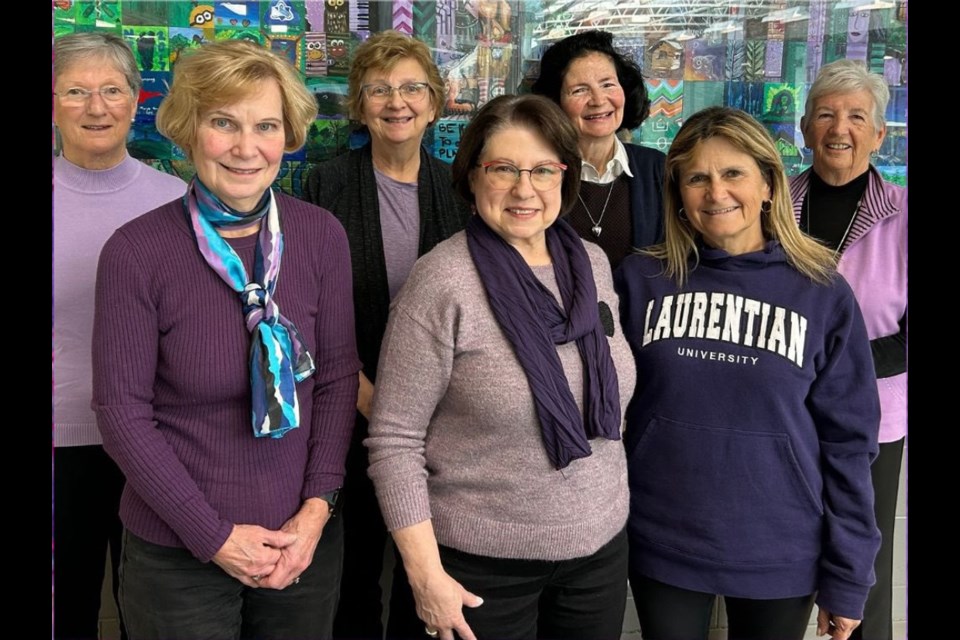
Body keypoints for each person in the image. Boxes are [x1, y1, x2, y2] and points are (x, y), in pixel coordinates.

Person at [91, 40, 360, 640]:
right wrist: (214, 537)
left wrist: (318, 509)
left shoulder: (320, 236)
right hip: (178, 555)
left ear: (288, 136)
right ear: (188, 132)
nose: (246, 147)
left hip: (301, 542)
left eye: (266, 125)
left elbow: (339, 379)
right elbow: (121, 413)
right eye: (223, 123)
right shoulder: (136, 251)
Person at [365, 94, 636, 640]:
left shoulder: (594, 265)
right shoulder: (442, 282)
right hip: (478, 568)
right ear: (471, 177)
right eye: (503, 169)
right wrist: (424, 576)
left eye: (542, 169)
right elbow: (394, 439)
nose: (524, 188)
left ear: (565, 174)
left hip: (598, 555)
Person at [614, 106, 881, 640]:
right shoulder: (641, 279)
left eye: (733, 173)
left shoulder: (820, 291)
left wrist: (849, 575)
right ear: (679, 195)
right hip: (663, 537)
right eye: (697, 178)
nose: (716, 193)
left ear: (767, 183)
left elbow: (849, 443)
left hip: (781, 545)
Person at [303, 30, 471, 640]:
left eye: (410, 88)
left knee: (425, 566)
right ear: (359, 103)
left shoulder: (462, 189)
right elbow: (310, 313)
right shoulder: (326, 185)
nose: (395, 102)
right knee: (353, 572)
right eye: (378, 89)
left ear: (434, 101)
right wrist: (368, 397)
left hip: (444, 418)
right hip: (349, 407)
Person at [53, 31, 187, 640]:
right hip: (59, 446)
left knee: (152, 613)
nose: (96, 107)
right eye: (77, 91)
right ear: (53, 102)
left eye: (112, 90)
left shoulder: (178, 202)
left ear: (138, 101)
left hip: (157, 446)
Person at [791, 59, 907, 640]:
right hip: (781, 414)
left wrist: (838, 368)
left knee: (864, 566)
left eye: (857, 116)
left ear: (879, 134)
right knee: (785, 551)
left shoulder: (904, 215)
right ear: (805, 126)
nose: (841, 127)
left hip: (874, 420)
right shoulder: (772, 205)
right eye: (827, 114)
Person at [532, 29, 664, 268]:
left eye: (607, 84)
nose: (598, 100)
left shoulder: (658, 169)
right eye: (579, 90)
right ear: (555, 101)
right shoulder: (537, 175)